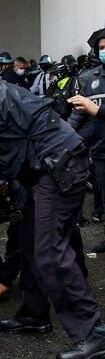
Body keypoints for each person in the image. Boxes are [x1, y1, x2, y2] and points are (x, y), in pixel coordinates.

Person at [0, 58, 105, 359]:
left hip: (56, 166)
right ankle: (35, 313)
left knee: (50, 250)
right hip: (46, 168)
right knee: (30, 240)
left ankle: (93, 333)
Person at [69, 28, 105, 252]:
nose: (104, 51)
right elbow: (78, 114)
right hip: (101, 151)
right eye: (101, 48)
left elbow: (92, 109)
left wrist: (97, 110)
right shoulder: (89, 78)